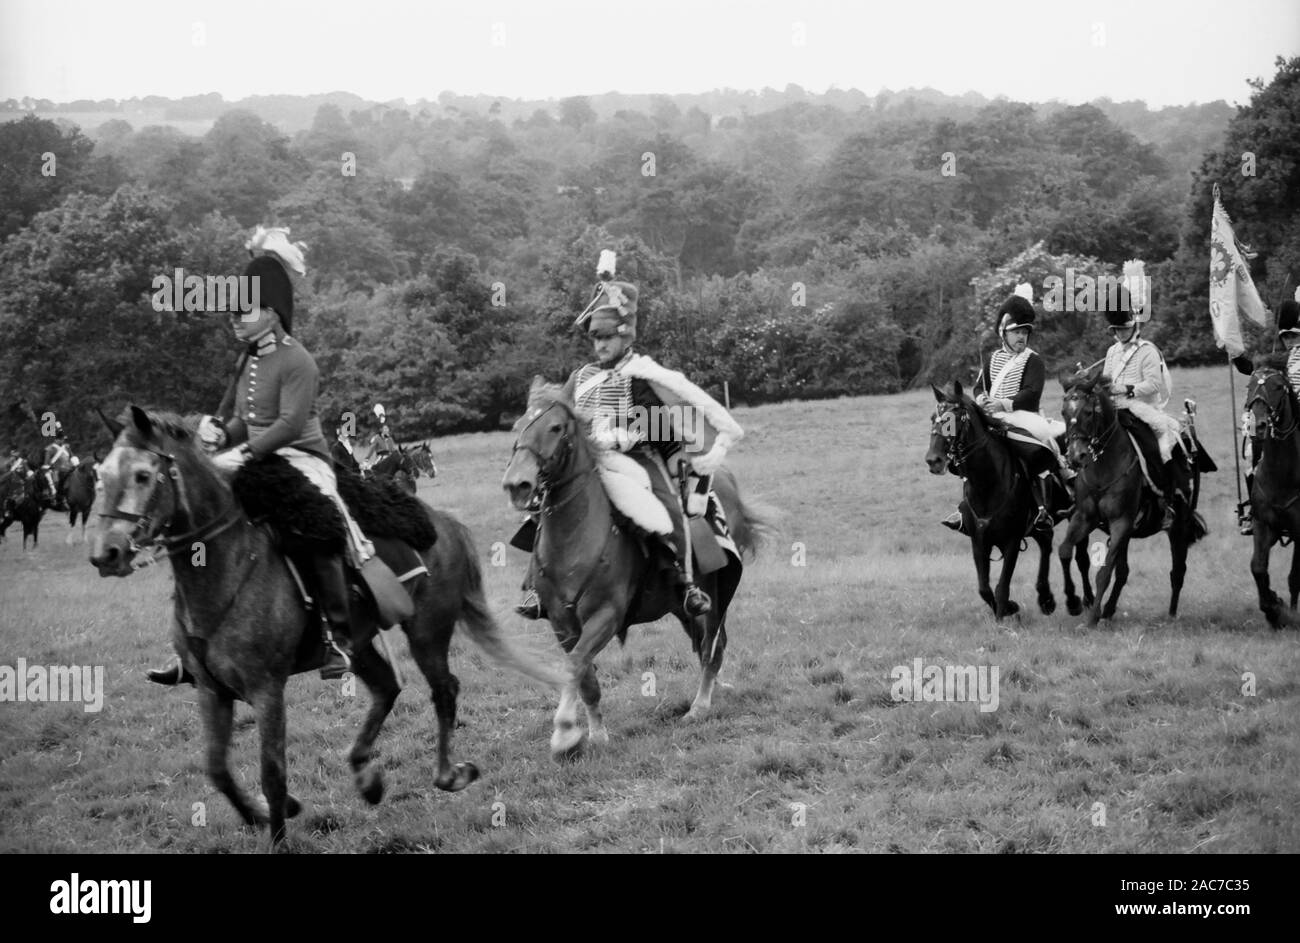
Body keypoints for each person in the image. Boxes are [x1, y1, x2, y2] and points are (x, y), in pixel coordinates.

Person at [147, 226, 382, 685]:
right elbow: (243, 420)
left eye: (244, 310)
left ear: (272, 314)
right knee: (199, 523)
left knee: (318, 529)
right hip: (253, 456)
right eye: (233, 311)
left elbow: (289, 426)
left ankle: (338, 637)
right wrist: (219, 435)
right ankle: (193, 644)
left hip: (301, 458)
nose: (235, 318)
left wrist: (243, 453)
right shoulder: (249, 360)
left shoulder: (299, 361)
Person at [514, 250, 742, 620]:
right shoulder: (582, 377)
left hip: (639, 459)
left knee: (667, 511)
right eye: (595, 338)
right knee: (546, 507)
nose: (600, 345)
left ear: (625, 336)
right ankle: (536, 590)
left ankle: (687, 585)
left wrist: (621, 436)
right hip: (589, 461)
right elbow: (564, 420)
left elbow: (660, 431)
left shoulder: (641, 376)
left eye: (607, 337)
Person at [942, 283, 1070, 535]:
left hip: (1024, 417)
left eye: (1024, 332)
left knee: (1037, 450)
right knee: (968, 452)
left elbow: (1032, 394)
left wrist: (1003, 403)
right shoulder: (993, 359)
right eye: (1016, 332)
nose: (1021, 337)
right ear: (1004, 333)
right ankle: (965, 510)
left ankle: (1043, 509)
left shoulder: (1033, 360)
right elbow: (979, 388)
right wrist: (982, 401)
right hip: (993, 417)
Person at [1099, 261, 1188, 531]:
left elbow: (1154, 384)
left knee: (1159, 448)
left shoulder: (1148, 350)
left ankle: (1169, 500)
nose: (1120, 334)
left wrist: (1126, 389)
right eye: (1116, 330)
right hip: (1114, 409)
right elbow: (1105, 378)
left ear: (1134, 325)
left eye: (1123, 329)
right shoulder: (1113, 352)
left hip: (1141, 408)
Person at [1238, 287, 1300, 535]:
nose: (1289, 341)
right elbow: (1251, 367)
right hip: (1277, 419)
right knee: (1250, 453)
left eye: (1294, 335)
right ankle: (1255, 510)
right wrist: (1235, 354)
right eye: (1285, 336)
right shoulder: (1278, 360)